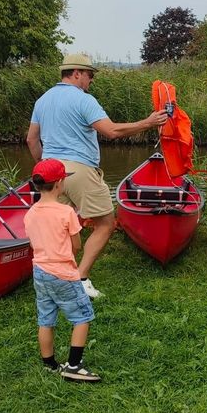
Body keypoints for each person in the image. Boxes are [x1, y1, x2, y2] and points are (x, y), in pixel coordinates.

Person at [26, 53, 167, 298]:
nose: (91, 80)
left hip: (51, 171)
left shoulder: (43, 100)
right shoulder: (84, 100)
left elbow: (31, 139)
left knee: (57, 227)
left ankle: (53, 276)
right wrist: (148, 122)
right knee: (105, 223)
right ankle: (80, 278)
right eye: (89, 75)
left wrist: (44, 164)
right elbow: (111, 131)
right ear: (76, 73)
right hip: (80, 170)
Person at [24, 159, 100, 382]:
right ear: (59, 183)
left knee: (45, 319)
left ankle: (49, 364)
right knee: (82, 317)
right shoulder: (66, 212)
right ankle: (74, 366)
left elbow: (33, 243)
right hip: (63, 274)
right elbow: (76, 245)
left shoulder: (30, 213)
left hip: (40, 272)